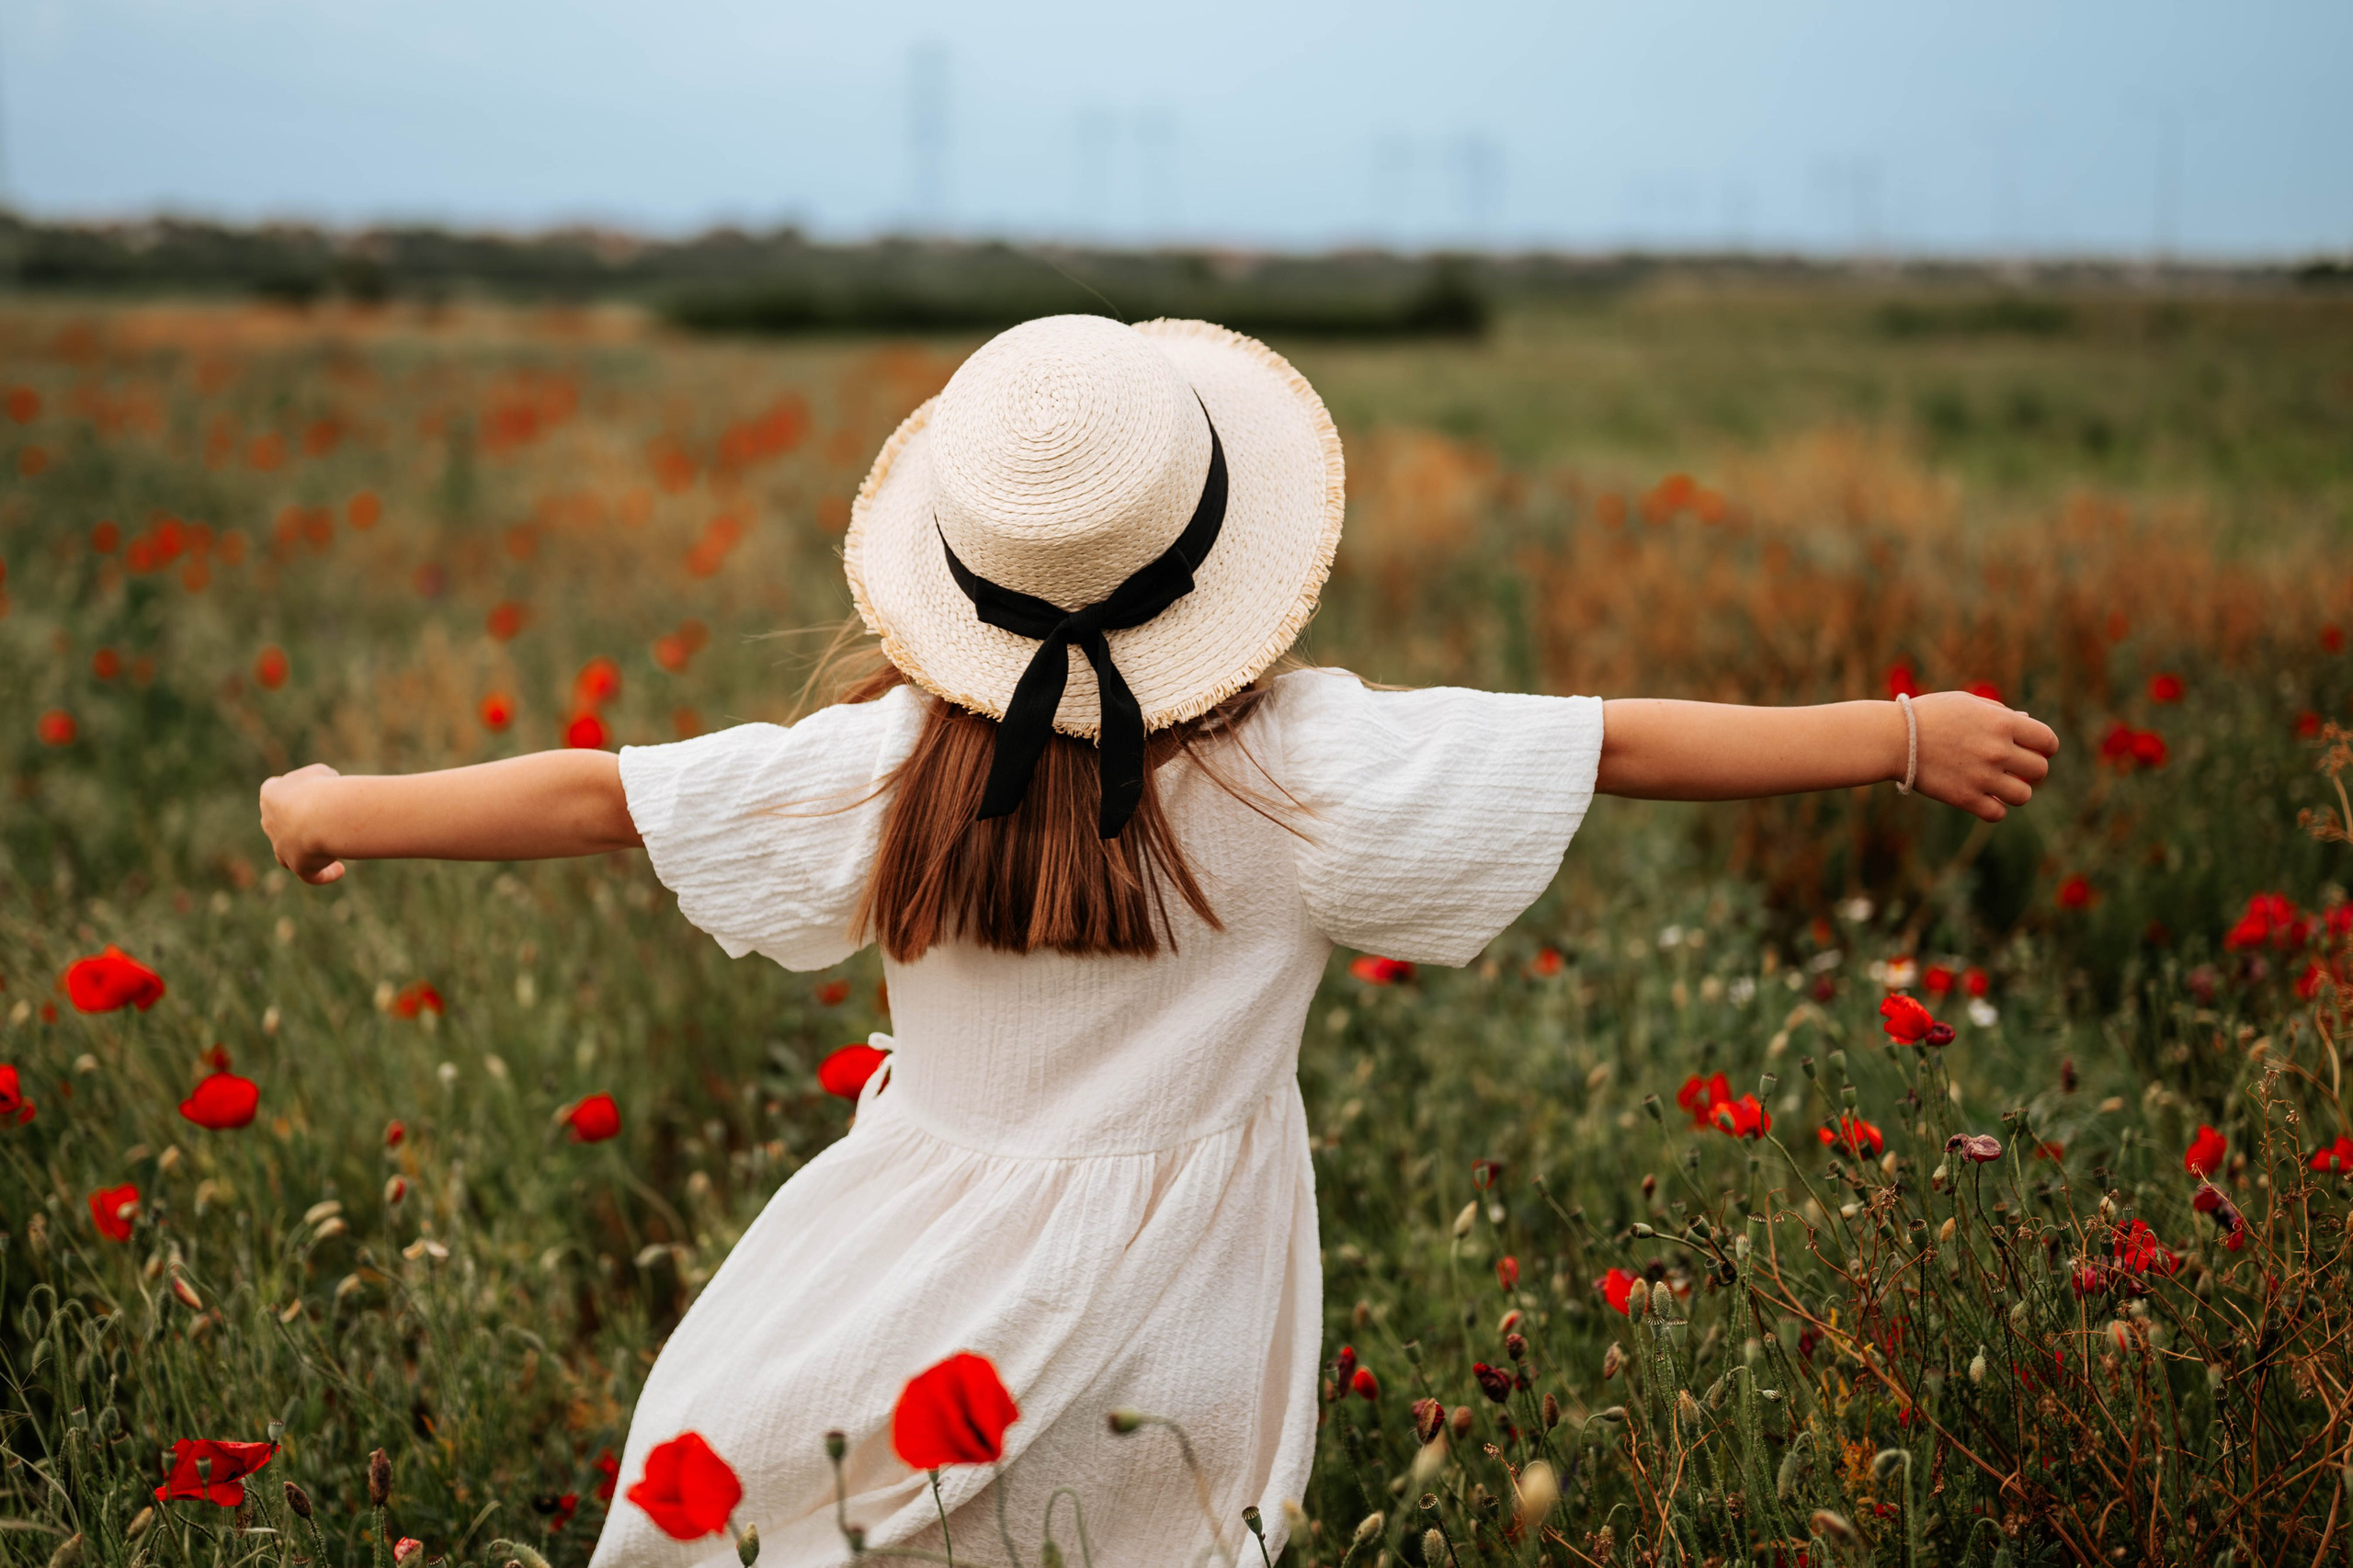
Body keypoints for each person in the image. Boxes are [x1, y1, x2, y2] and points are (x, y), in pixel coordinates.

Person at [257, 314, 2057, 1565]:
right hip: (1179, 1304)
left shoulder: (887, 760)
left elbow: (599, 794)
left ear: (956, 576)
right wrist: (1892, 734)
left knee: (802, 1516)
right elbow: (1616, 739)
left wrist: (340, 799)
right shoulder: (1300, 766)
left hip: (895, 1264)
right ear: (1219, 564)